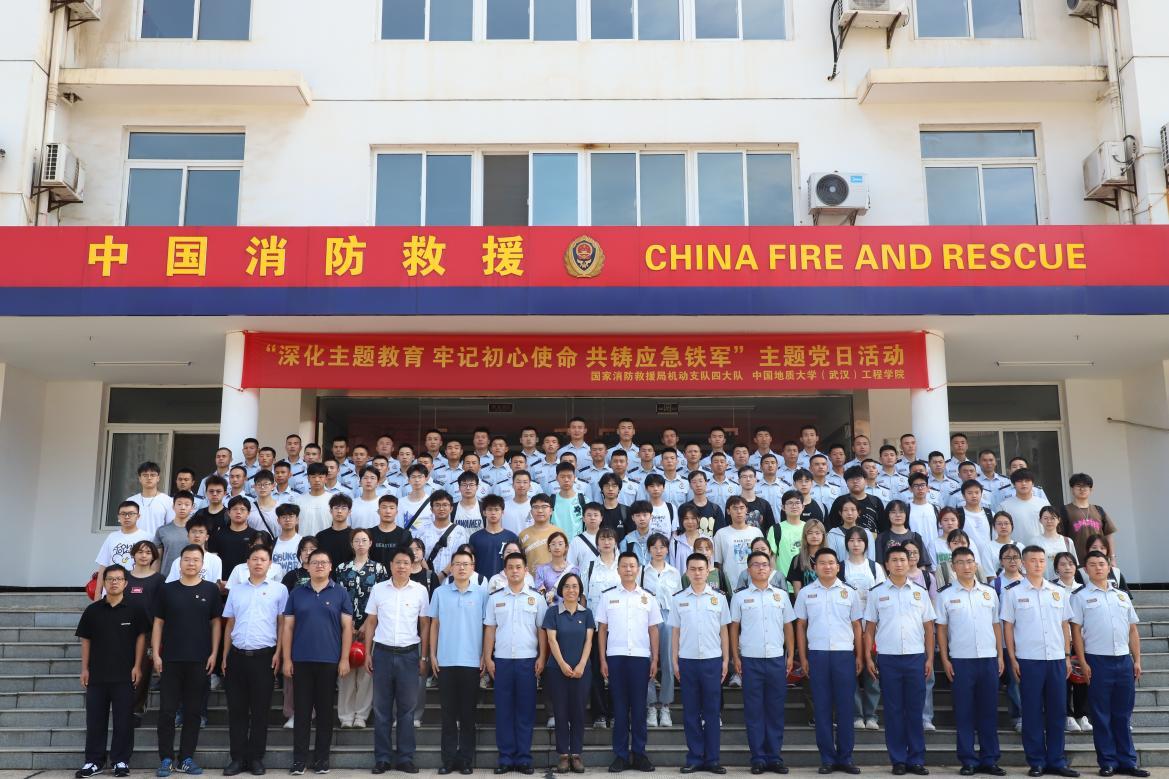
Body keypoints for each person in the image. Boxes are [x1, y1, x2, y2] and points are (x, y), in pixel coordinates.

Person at [1001, 545, 1079, 778]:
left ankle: (1057, 760)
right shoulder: (1013, 592)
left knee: (1057, 711)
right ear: (1023, 563)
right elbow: (1008, 627)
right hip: (1029, 660)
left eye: (1041, 560)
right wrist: (1012, 658)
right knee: (1032, 712)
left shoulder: (1057, 591)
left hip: (1056, 659)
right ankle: (1036, 761)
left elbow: (1065, 625)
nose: (1037, 564)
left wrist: (1067, 656)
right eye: (1033, 560)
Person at [1070, 550, 1147, 778]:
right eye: (1092, 564)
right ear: (1086, 569)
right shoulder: (1080, 596)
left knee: (1123, 715)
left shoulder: (1121, 596)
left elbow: (1133, 630)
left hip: (1123, 660)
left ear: (1109, 567)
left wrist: (1137, 660)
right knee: (1101, 715)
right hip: (1097, 660)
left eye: (1101, 564)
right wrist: (1082, 661)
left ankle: (1128, 762)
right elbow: (1076, 632)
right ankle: (1107, 762)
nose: (1098, 568)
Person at [864, 545, 936, 776]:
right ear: (886, 565)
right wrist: (868, 657)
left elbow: (929, 628)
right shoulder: (876, 593)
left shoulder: (920, 592)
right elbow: (869, 629)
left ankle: (916, 759)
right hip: (888, 658)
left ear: (910, 562)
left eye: (902, 559)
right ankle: (898, 760)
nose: (899, 564)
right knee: (893, 711)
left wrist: (929, 658)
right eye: (894, 560)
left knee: (915, 710)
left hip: (915, 657)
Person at [282, 549, 354, 775]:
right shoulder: (297, 593)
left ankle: (322, 759)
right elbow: (288, 628)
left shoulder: (340, 593)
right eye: (315, 562)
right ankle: (299, 760)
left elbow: (347, 628)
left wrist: (344, 658)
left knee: (324, 713)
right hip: (301, 660)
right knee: (302, 713)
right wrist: (286, 658)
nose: (319, 565)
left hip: (329, 660)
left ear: (331, 566)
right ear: (308, 566)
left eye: (324, 562)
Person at [153, 544, 222, 777]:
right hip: (171, 660)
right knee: (167, 712)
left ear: (202, 564)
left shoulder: (211, 590)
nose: (191, 563)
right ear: (179, 563)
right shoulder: (167, 589)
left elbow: (216, 623)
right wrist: (156, 654)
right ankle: (165, 759)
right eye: (187, 559)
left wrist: (214, 653)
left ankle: (186, 758)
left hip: (200, 660)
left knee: (193, 712)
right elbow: (158, 623)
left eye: (195, 560)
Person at [74, 564, 150, 779]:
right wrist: (84, 669)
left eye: (118, 579)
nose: (114, 582)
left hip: (125, 675)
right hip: (97, 676)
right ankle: (93, 761)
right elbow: (86, 640)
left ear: (126, 583)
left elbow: (141, 638)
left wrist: (137, 666)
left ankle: (120, 761)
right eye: (110, 579)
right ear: (104, 583)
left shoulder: (135, 609)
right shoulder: (93, 611)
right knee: (95, 720)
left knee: (123, 721)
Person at [935, 547, 1005, 777]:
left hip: (988, 659)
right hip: (961, 661)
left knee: (988, 712)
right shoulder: (945, 595)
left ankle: (989, 759)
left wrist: (1000, 656)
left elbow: (996, 625)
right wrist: (945, 659)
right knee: (964, 713)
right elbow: (941, 630)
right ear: (953, 567)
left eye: (970, 561)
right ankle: (968, 760)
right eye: (961, 562)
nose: (966, 566)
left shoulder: (989, 592)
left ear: (976, 565)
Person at [793, 548, 863, 775]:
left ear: (838, 567)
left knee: (845, 708)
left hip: (844, 655)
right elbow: (800, 626)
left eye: (831, 562)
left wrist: (859, 655)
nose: (827, 566)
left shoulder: (849, 592)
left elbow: (857, 626)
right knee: (822, 709)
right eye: (822, 563)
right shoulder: (806, 593)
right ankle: (827, 759)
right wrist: (803, 657)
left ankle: (845, 757)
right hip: (817, 655)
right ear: (815, 567)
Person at [221, 545, 288, 776]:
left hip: (265, 657)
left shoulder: (280, 590)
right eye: (254, 559)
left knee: (260, 711)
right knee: (237, 710)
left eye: (263, 559)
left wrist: (279, 653)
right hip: (237, 656)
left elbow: (282, 624)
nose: (258, 563)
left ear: (270, 564)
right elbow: (229, 623)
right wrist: (224, 655)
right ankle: (237, 759)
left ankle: (256, 758)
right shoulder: (236, 590)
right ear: (247, 563)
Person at [364, 546, 430, 775]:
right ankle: (382, 758)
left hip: (409, 655)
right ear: (390, 565)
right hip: (382, 653)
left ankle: (405, 758)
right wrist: (367, 653)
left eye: (406, 563)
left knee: (407, 710)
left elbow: (425, 625)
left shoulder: (420, 591)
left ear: (412, 566)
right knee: (381, 710)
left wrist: (424, 656)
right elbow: (371, 622)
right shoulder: (379, 589)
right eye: (398, 562)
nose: (402, 566)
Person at [595, 551, 663, 773]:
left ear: (638, 569)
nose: (628, 569)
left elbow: (653, 630)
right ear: (618, 570)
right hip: (616, 657)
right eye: (624, 566)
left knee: (640, 708)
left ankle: (640, 754)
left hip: (640, 658)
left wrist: (655, 658)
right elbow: (602, 629)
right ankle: (621, 755)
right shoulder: (607, 596)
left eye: (632, 566)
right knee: (620, 708)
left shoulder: (648, 597)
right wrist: (602, 659)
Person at [730, 549, 795, 775]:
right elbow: (734, 628)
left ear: (770, 568)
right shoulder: (739, 597)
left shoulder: (781, 595)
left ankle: (774, 757)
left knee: (775, 710)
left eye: (764, 564)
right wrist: (735, 657)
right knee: (754, 711)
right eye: (755, 565)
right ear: (748, 570)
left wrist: (791, 654)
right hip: (750, 660)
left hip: (776, 658)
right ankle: (757, 757)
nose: (760, 568)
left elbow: (788, 626)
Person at [483, 551, 548, 775]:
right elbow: (490, 630)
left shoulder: (537, 598)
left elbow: (542, 631)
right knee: (503, 711)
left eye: (518, 567)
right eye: (510, 567)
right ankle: (505, 758)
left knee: (525, 711)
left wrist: (542, 657)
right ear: (505, 571)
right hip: (502, 661)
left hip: (527, 661)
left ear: (526, 570)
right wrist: (488, 657)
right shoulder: (495, 598)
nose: (514, 571)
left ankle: (523, 758)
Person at [429, 549, 490, 775]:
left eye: (466, 564)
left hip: (472, 662)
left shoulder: (482, 594)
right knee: (447, 715)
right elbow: (434, 625)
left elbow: (487, 627)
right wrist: (432, 654)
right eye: (457, 564)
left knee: (467, 715)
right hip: (445, 661)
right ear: (451, 567)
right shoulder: (440, 593)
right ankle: (448, 760)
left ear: (473, 567)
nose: (462, 567)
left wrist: (484, 655)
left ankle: (465, 760)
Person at [671, 553, 731, 774]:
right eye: (693, 569)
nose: (697, 573)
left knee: (712, 712)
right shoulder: (679, 599)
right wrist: (674, 660)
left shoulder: (719, 598)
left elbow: (724, 631)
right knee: (691, 712)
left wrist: (726, 660)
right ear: (687, 572)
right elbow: (675, 632)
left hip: (712, 660)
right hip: (687, 661)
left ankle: (713, 759)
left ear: (708, 571)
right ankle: (695, 757)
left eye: (701, 569)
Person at [335, 528, 388, 729]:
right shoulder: (341, 568)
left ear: (370, 543)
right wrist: (348, 624)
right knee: (346, 670)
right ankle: (346, 715)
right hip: (346, 625)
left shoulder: (379, 569)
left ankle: (361, 715)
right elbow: (338, 598)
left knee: (366, 671)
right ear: (351, 544)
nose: (360, 544)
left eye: (364, 540)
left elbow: (383, 599)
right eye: (356, 540)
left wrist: (367, 623)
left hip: (371, 625)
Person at [543, 572, 595, 774]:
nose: (571, 590)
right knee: (561, 712)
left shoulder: (587, 613)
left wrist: (581, 664)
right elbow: (551, 640)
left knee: (579, 712)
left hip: (582, 671)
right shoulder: (553, 612)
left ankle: (576, 754)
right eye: (567, 586)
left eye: (575, 586)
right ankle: (564, 755)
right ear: (561, 590)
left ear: (580, 590)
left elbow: (589, 641)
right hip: (557, 670)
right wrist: (563, 664)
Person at [838, 526, 884, 731]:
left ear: (866, 544)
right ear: (846, 543)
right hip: (847, 628)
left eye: (860, 540)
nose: (856, 544)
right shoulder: (840, 567)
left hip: (872, 627)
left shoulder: (875, 567)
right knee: (851, 673)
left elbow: (882, 596)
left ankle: (871, 715)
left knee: (872, 673)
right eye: (851, 540)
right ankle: (856, 714)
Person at [642, 532, 681, 728]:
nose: (658, 551)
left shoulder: (674, 572)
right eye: (654, 547)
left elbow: (679, 600)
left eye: (662, 547)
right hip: (647, 618)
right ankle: (650, 705)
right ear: (649, 549)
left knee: (667, 662)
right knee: (648, 661)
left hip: (668, 618)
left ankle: (665, 706)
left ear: (667, 549)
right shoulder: (642, 571)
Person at [124, 540, 163, 721]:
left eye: (148, 552)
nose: (144, 555)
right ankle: (122, 706)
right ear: (133, 554)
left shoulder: (159, 580)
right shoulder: (124, 577)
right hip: (124, 632)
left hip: (148, 633)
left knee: (142, 672)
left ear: (153, 556)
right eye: (140, 552)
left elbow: (161, 611)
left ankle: (136, 709)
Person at [1052, 552, 1091, 733]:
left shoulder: (1084, 589)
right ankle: (1067, 715)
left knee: (1082, 677)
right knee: (1065, 679)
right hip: (1060, 640)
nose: (1067, 567)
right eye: (1062, 564)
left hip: (1081, 640)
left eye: (1071, 564)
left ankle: (1082, 715)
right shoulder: (1051, 589)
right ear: (1056, 569)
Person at [93, 501, 153, 598]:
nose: (127, 517)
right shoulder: (112, 537)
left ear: (138, 516)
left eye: (131, 513)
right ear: (118, 517)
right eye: (123, 514)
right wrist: (97, 593)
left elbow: (152, 566)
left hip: (137, 587)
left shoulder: (148, 537)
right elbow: (103, 565)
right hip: (112, 588)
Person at [1059, 474, 1118, 562]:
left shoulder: (1098, 510)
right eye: (1078, 486)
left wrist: (1112, 557)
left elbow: (1108, 535)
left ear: (1091, 489)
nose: (1082, 489)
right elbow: (1060, 538)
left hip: (1099, 560)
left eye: (1085, 486)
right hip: (1076, 561)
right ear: (1072, 489)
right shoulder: (1064, 510)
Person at [714, 496, 764, 589]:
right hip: (731, 585)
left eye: (742, 508)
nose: (739, 511)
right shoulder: (721, 534)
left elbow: (763, 558)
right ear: (728, 511)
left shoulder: (756, 532)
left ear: (746, 510)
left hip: (755, 584)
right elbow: (718, 563)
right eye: (735, 508)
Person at [470, 494, 518, 581]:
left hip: (506, 583)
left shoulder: (512, 537)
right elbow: (471, 563)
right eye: (489, 509)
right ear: (484, 512)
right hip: (481, 583)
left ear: (502, 512)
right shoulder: (475, 538)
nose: (493, 513)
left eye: (496, 509)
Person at [534, 531, 579, 606]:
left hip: (569, 610)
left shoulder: (574, 570)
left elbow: (578, 593)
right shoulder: (541, 570)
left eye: (560, 544)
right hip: (548, 610)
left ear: (566, 547)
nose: (557, 547)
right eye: (553, 544)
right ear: (549, 547)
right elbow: (539, 594)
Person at [786, 520, 828, 596]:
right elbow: (797, 590)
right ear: (805, 536)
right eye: (810, 533)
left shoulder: (830, 558)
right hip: (806, 600)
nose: (814, 536)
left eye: (817, 533)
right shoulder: (797, 559)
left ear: (823, 535)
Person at [1034, 506, 1078, 578]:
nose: (1049, 521)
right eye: (1045, 518)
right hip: (1045, 582)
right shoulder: (1035, 542)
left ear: (1059, 520)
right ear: (1040, 520)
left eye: (1053, 518)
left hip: (1065, 582)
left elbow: (1074, 564)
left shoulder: (1067, 541)